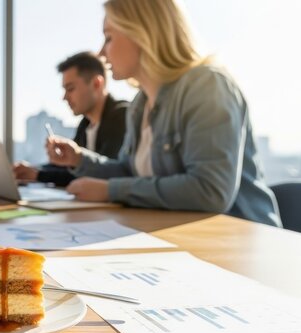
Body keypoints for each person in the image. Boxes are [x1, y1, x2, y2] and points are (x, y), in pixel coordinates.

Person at [46, 0, 281, 226]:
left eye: (108, 38)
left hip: (240, 244)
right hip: (180, 238)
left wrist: (111, 191)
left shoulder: (207, 86)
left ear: (142, 33)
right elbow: (130, 171)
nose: (101, 53)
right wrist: (79, 159)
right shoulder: (139, 105)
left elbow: (210, 191)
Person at [13, 51, 128, 186]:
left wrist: (39, 175)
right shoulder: (85, 124)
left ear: (97, 84)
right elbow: (69, 166)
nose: (65, 97)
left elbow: (101, 172)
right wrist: (33, 170)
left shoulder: (122, 116)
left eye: (71, 89)